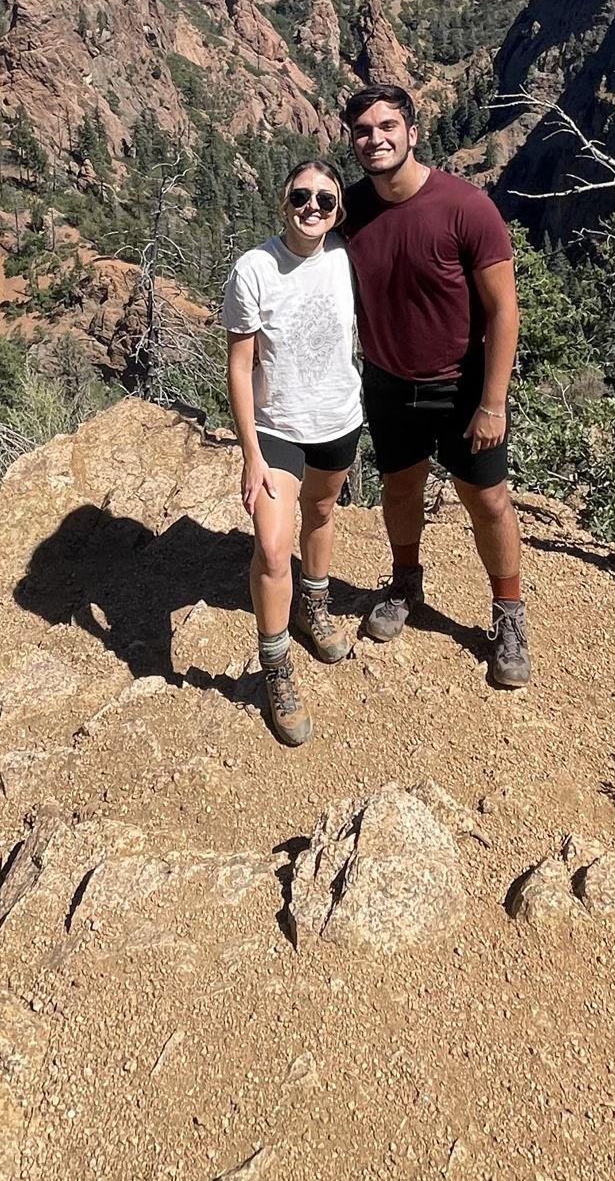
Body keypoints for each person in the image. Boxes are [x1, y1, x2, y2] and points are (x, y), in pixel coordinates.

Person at [340, 83, 530, 688]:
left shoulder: (466, 206)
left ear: (412, 132)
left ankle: (508, 614)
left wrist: (493, 403)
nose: (377, 139)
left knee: (490, 501)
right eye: (364, 131)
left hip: (461, 386)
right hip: (389, 383)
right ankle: (404, 584)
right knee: (401, 492)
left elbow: (504, 311)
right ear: (353, 140)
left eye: (387, 126)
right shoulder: (347, 211)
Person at [221, 159, 360, 746]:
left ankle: (314, 605)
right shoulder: (255, 268)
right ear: (284, 200)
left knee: (321, 517)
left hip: (338, 419)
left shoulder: (347, 258)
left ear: (338, 212)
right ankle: (276, 668)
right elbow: (239, 365)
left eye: (325, 200)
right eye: (301, 195)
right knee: (274, 548)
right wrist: (250, 452)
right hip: (277, 428)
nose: (312, 207)